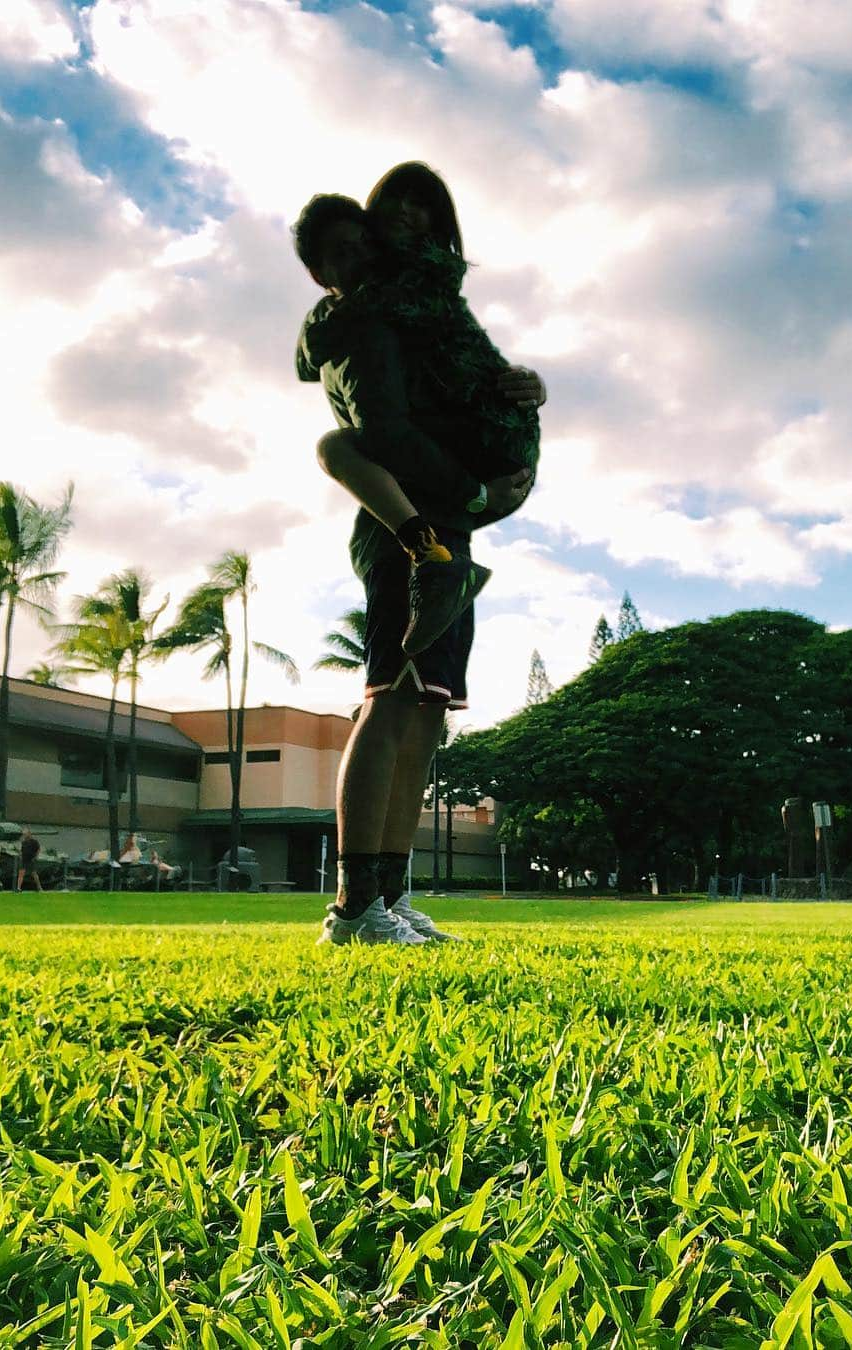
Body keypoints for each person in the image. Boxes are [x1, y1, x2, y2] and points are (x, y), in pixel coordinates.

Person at [292, 177, 540, 946]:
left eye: (365, 241)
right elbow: (384, 433)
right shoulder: (359, 328)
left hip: (443, 528)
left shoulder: (407, 321)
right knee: (391, 702)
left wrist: (513, 394)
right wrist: (469, 489)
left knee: (425, 715)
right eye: (341, 251)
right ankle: (354, 906)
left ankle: (389, 899)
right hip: (409, 531)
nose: (361, 255)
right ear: (320, 272)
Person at [295, 164, 542, 655]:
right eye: (398, 199)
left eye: (424, 204)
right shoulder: (381, 293)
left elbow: (329, 355)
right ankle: (437, 563)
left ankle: (435, 562)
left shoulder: (406, 284)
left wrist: (526, 389)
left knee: (338, 446)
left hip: (486, 453)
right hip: (468, 461)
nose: (409, 212)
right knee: (421, 701)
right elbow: (312, 356)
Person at [18, 827, 42, 892]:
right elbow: (21, 850)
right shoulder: (24, 842)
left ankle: (39, 887)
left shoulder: (34, 841)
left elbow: (38, 849)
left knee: (34, 873)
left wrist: (36, 856)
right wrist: (20, 855)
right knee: (21, 873)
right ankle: (18, 888)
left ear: (29, 834)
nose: (24, 835)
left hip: (31, 859)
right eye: (24, 834)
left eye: (25, 834)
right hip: (24, 859)